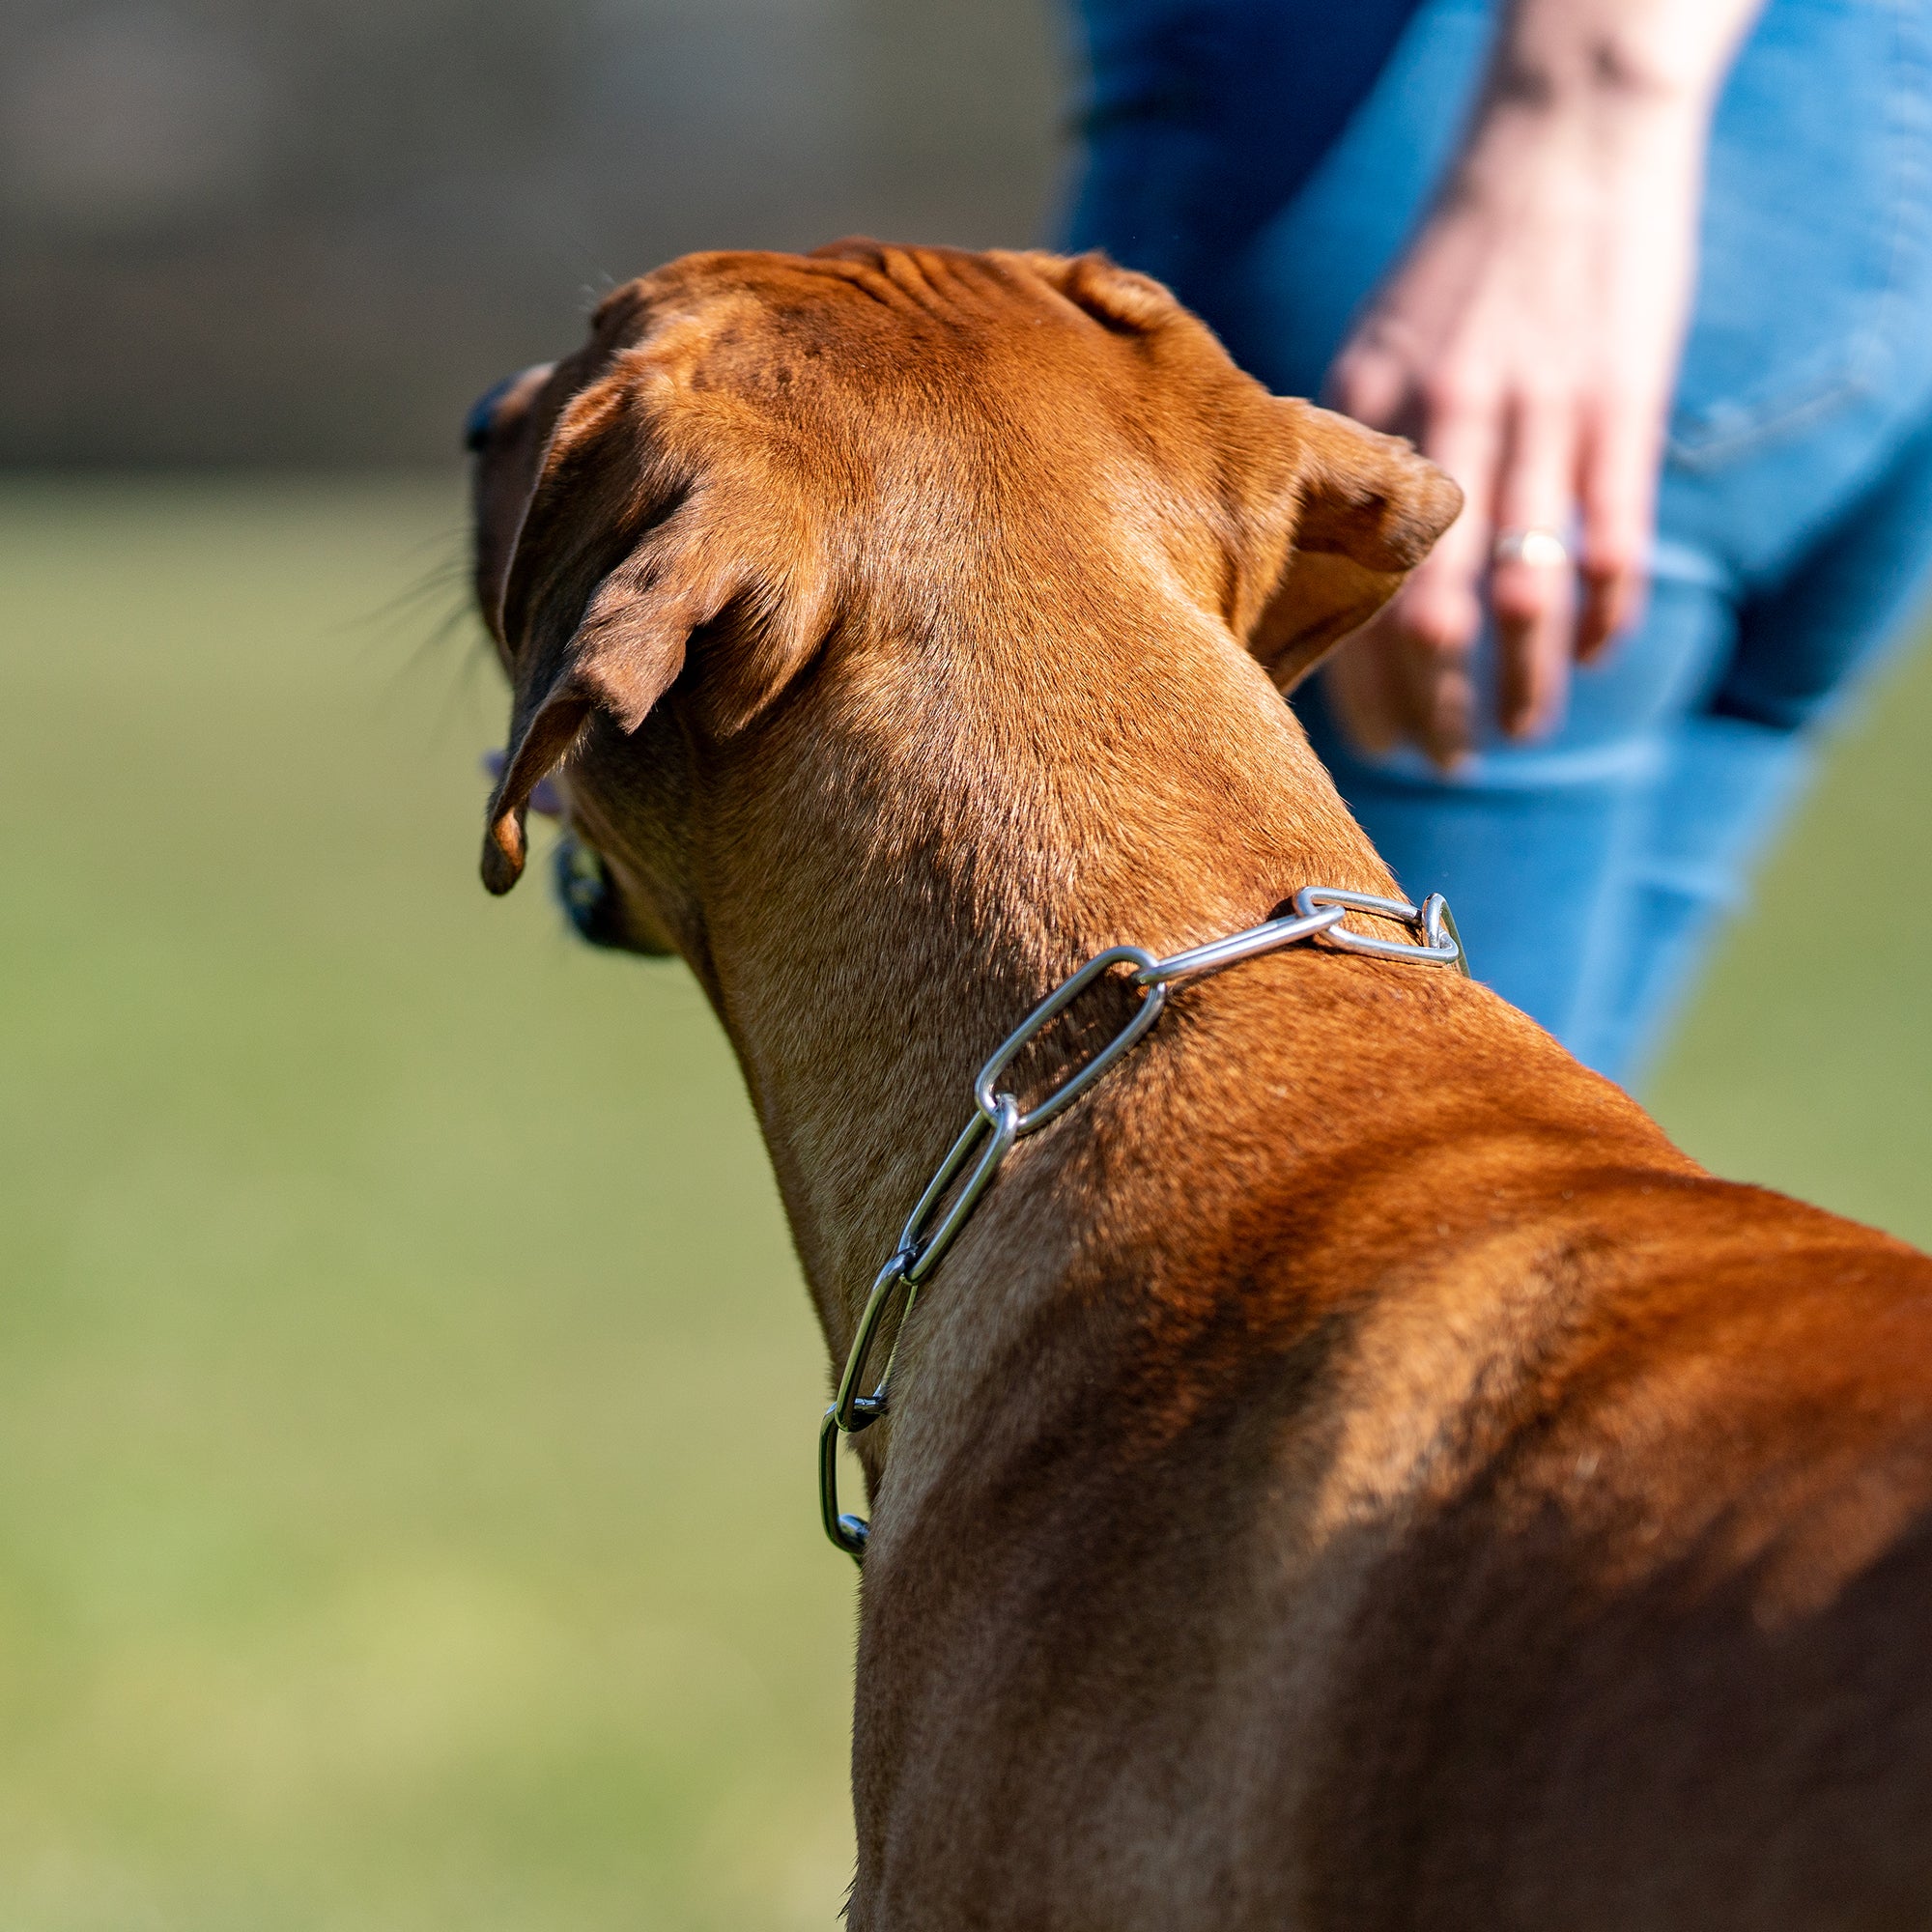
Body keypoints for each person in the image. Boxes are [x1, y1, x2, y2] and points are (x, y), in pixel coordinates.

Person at [1063, 0, 1932, 1084]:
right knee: (1521, 1194)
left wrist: (1579, 98)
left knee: (1298, 1191)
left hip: (1458, 157)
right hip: (1857, 134)